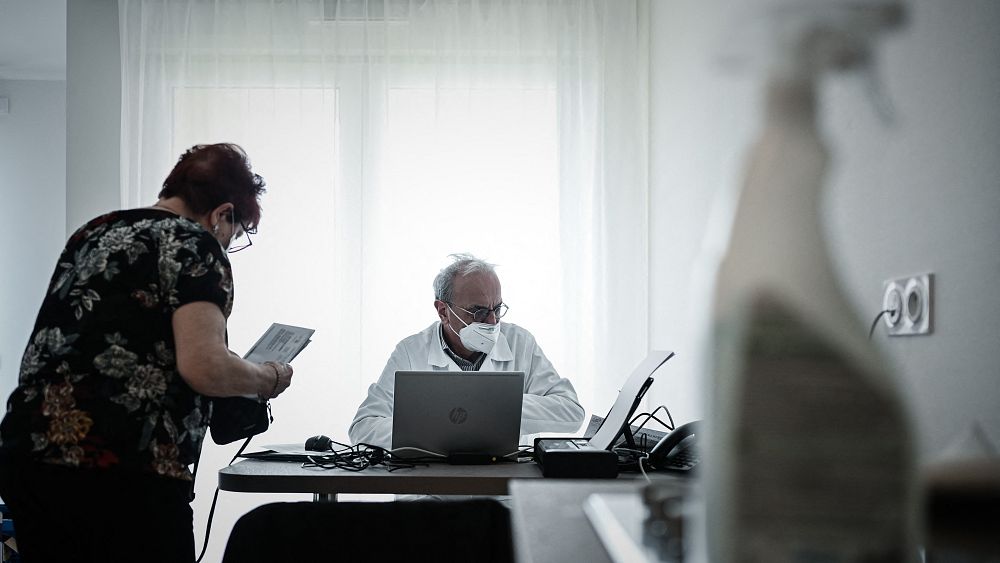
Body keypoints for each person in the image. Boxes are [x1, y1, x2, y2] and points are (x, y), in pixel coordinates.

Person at [0, 143, 294, 562]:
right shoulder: (195, 242)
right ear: (222, 213)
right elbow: (204, 367)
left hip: (31, 457)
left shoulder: (95, 231)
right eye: (237, 231)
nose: (230, 243)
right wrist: (269, 376)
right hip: (124, 467)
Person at [349, 253, 584, 449]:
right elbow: (363, 427)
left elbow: (571, 413)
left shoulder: (520, 342)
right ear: (443, 311)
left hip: (501, 490)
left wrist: (498, 406)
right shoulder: (411, 351)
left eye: (498, 309)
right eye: (478, 311)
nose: (492, 321)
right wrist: (433, 427)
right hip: (430, 491)